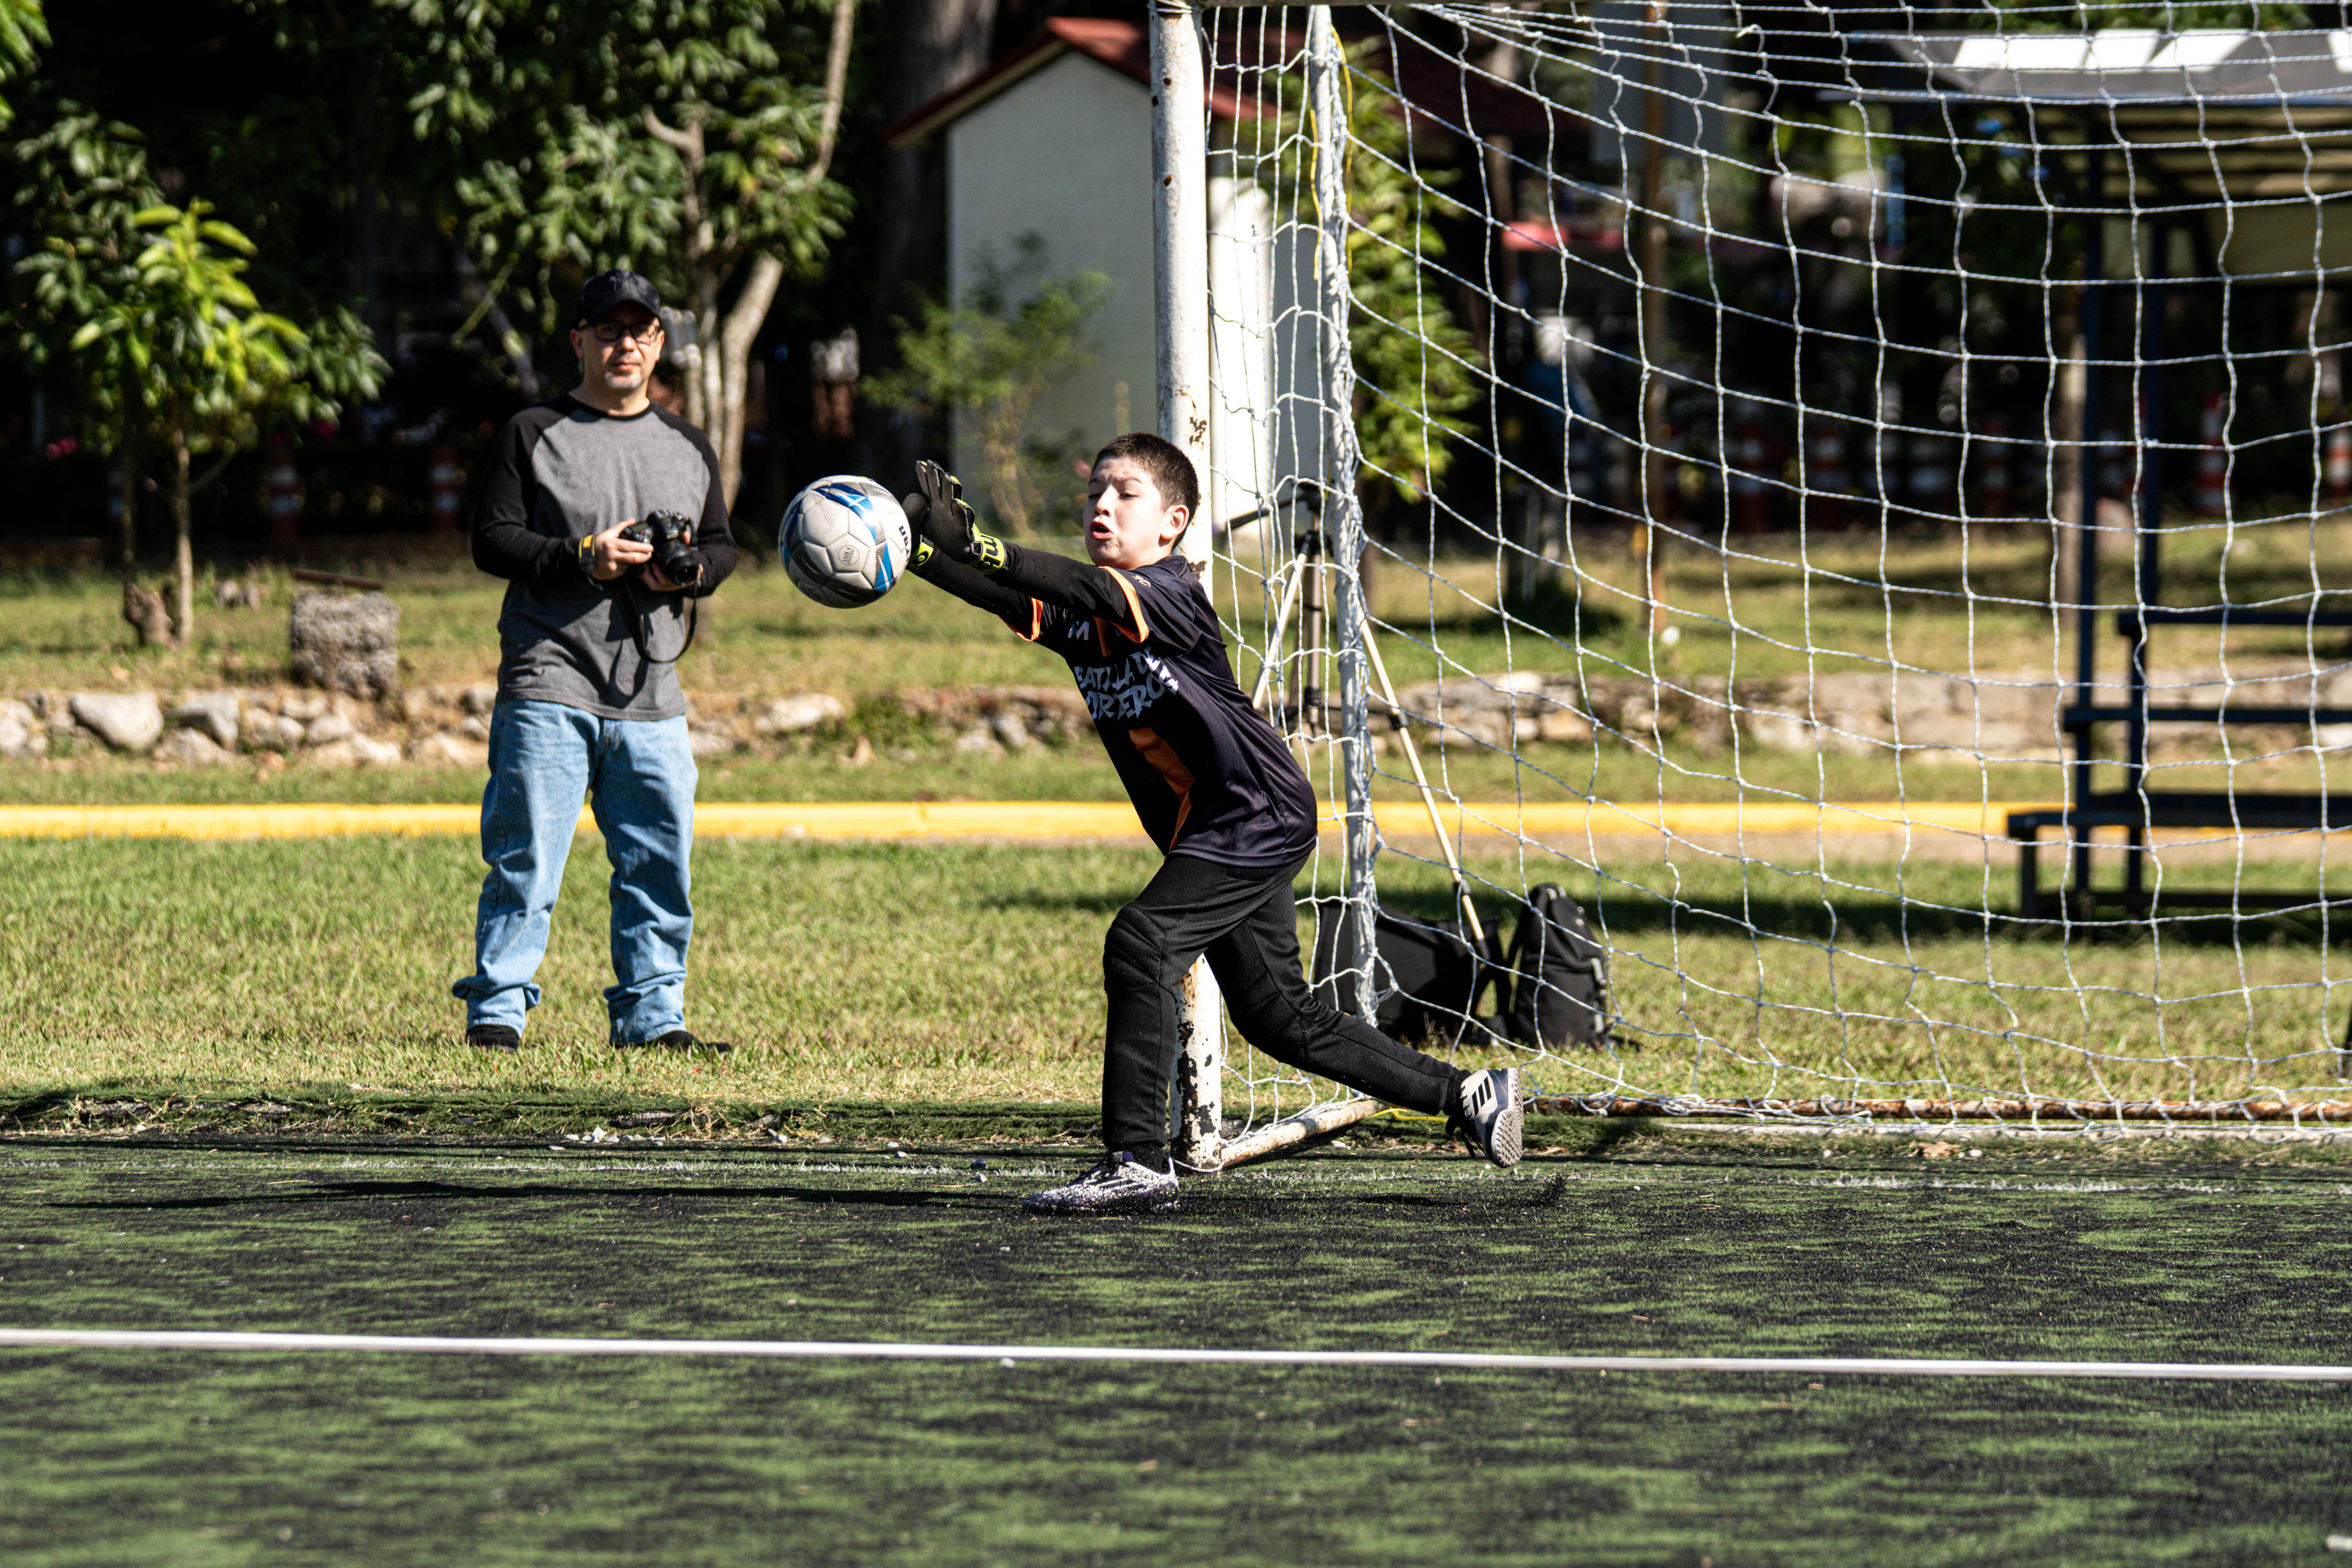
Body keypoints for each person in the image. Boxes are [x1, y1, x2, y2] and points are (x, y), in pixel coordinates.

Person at [903, 434, 1521, 1214]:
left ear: (1173, 523)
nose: (1101, 505)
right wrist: (914, 554)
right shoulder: (1091, 618)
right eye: (1095, 491)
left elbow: (1080, 590)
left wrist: (985, 544)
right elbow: (1013, 597)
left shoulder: (1167, 589)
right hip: (1225, 826)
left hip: (1249, 815)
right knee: (1279, 1018)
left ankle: (1136, 1160)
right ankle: (1469, 1093)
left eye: (1125, 493)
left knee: (1141, 942)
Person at [453, 269, 737, 1054]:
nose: (624, 345)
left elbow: (721, 547)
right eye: (607, 331)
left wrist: (687, 573)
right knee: (527, 858)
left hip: (653, 687)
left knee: (659, 863)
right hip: (550, 676)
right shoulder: (534, 430)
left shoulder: (688, 443)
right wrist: (586, 556)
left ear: (658, 345)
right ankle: (498, 1014)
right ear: (579, 342)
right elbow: (492, 540)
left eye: (639, 332)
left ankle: (653, 1019)